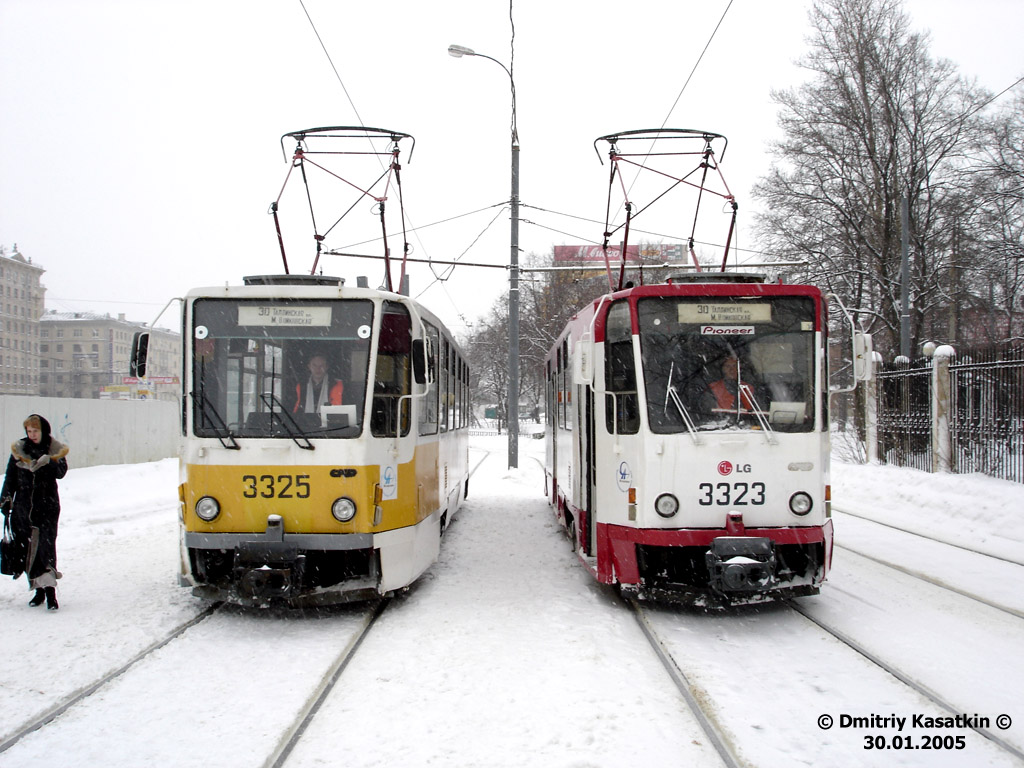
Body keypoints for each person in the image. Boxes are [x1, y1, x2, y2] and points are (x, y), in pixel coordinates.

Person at [1, 414, 69, 611]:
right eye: (29, 431)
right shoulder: (19, 450)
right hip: (24, 509)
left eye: (35, 431)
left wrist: (50, 462)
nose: (32, 435)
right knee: (28, 550)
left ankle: (50, 594)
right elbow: (10, 477)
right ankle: (38, 591)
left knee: (45, 549)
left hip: (47, 508)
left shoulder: (54, 449)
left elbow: (61, 473)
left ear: (43, 431)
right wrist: (6, 499)